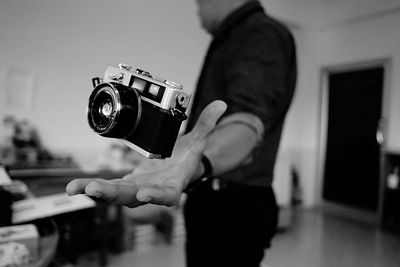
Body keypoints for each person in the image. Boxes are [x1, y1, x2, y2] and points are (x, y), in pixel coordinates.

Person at [67, 0, 296, 266]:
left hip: (232, 205)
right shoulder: (233, 37)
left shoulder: (258, 33)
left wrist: (194, 162)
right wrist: (175, 158)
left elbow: (247, 123)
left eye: (199, 1)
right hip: (213, 193)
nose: (196, 8)